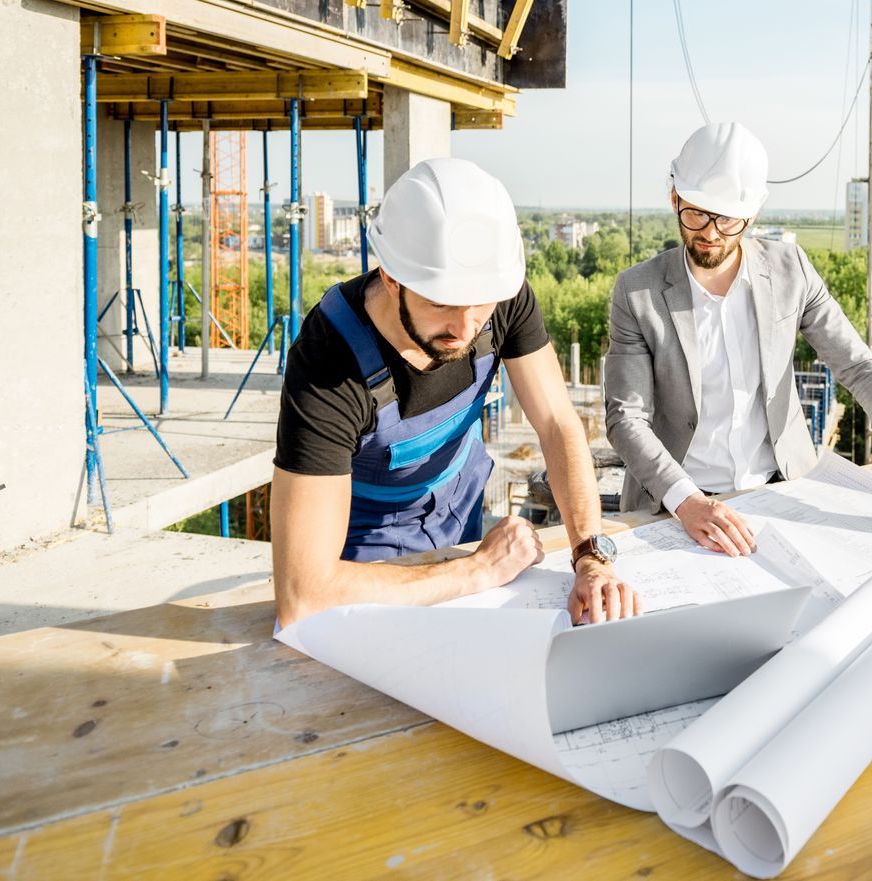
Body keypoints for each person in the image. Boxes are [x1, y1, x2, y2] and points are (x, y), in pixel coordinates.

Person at [271, 157, 639, 628]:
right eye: (441, 304)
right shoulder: (328, 363)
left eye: (479, 305)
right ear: (391, 277)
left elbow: (557, 423)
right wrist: (478, 570)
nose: (464, 329)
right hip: (363, 546)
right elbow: (304, 594)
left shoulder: (501, 293)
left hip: (461, 511)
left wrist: (590, 554)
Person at [604, 123, 872, 556]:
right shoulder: (637, 292)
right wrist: (687, 501)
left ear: (753, 214)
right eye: (696, 213)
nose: (710, 233)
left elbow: (858, 366)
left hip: (783, 489)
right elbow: (626, 418)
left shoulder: (791, 270)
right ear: (674, 197)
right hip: (675, 505)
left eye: (727, 219)